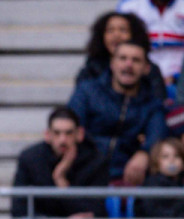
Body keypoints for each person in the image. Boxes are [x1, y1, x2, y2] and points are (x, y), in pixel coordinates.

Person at [68, 41, 166, 186]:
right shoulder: (87, 91)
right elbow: (71, 127)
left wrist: (145, 154)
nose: (128, 64)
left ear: (146, 68)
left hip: (130, 178)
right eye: (122, 58)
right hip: (85, 171)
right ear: (112, 63)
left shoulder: (152, 103)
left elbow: (157, 134)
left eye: (136, 60)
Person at [10, 107, 110, 219]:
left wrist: (61, 182)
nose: (62, 140)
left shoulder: (96, 161)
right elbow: (18, 209)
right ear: (47, 135)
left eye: (69, 133)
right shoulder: (30, 159)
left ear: (80, 134)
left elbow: (96, 211)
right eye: (57, 133)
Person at [78, 11, 165, 99]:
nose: (116, 35)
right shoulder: (91, 69)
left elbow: (158, 102)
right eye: (110, 30)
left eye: (123, 30)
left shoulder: (149, 70)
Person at [117, 0, 184, 86]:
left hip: (180, 79)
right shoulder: (129, 6)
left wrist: (176, 77)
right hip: (140, 78)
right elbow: (120, 49)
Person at [138, 137, 184, 217]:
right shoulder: (151, 184)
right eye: (165, 156)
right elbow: (151, 212)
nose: (171, 160)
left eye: (176, 156)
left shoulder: (181, 182)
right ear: (156, 161)